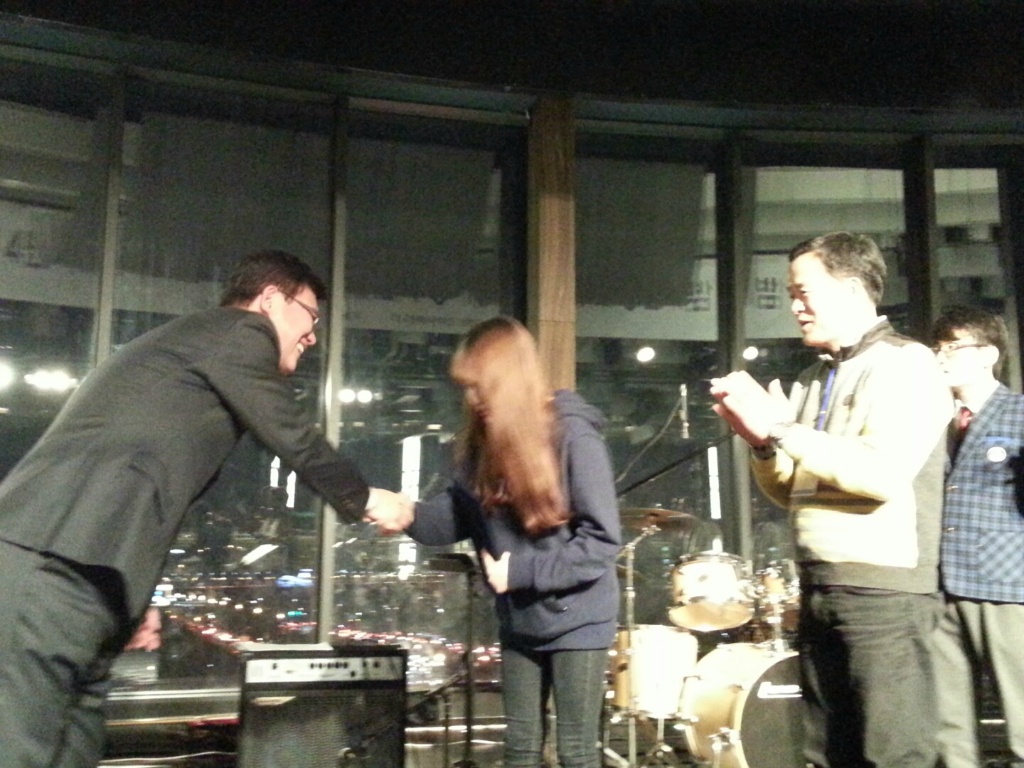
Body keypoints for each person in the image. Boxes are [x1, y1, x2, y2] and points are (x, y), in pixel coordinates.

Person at [0, 249, 405, 768]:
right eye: (310, 316)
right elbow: (288, 430)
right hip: (50, 568)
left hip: (86, 577)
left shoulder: (195, 354)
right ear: (270, 299)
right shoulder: (240, 331)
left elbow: (139, 479)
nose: (312, 336)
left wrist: (128, 594)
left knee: (69, 750)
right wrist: (363, 497)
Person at [709, 232, 952, 768]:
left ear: (852, 289)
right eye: (791, 294)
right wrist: (761, 442)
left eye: (804, 292)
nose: (795, 306)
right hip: (821, 583)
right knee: (826, 752)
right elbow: (791, 489)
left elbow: (879, 474)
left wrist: (781, 429)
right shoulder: (815, 376)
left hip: (883, 591)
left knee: (891, 753)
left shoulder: (906, 363)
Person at [371, 316, 621, 768]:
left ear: (508, 382)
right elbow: (455, 517)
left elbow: (602, 542)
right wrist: (408, 513)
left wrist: (520, 572)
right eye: (467, 388)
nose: (472, 399)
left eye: (480, 386)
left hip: (580, 618)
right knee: (520, 748)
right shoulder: (483, 445)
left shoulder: (574, 436)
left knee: (576, 751)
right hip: (520, 619)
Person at [930, 305, 1024, 768]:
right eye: (937, 347)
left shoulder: (1019, 413)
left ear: (988, 354)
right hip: (942, 583)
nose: (940, 357)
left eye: (953, 347)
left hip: (1006, 583)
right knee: (948, 722)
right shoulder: (934, 420)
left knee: (1021, 712)